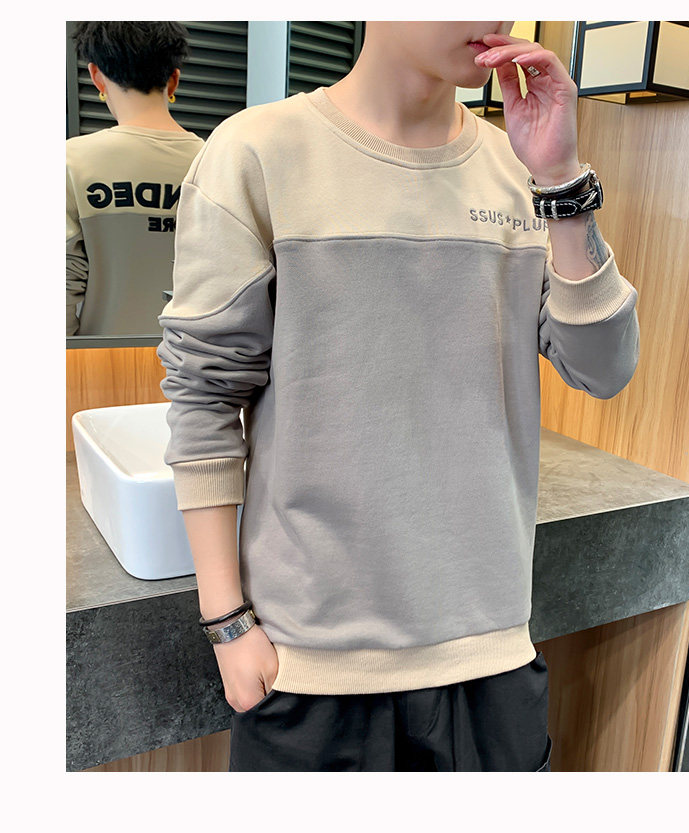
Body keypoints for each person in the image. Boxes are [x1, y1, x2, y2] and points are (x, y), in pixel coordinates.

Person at [156, 21, 640, 771]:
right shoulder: (258, 152)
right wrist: (226, 620)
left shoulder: (521, 172)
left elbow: (603, 369)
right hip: (311, 664)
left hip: (491, 651)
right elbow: (205, 395)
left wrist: (562, 184)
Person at [66, 22, 204, 336]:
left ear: (96, 76)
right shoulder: (218, 160)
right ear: (174, 80)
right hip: (197, 359)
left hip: (99, 360)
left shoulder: (71, 162)